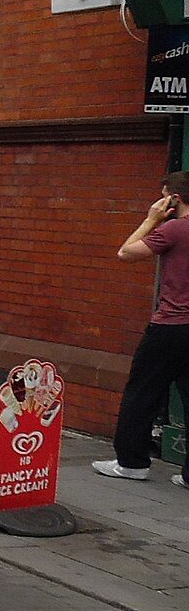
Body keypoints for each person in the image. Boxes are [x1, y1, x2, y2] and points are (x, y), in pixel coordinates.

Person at [95, 171, 189, 481]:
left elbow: (126, 252)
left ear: (173, 199)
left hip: (171, 326)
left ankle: (132, 463)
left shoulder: (174, 229)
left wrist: (151, 219)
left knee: (142, 392)